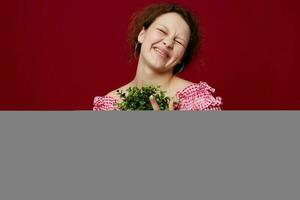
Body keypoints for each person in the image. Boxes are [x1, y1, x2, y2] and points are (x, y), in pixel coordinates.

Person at [93, 3, 222, 111]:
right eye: (162, 31)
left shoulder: (198, 102)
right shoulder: (109, 106)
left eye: (178, 42)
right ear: (142, 34)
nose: (168, 43)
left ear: (182, 56)